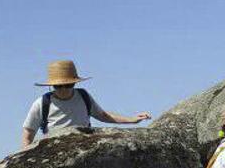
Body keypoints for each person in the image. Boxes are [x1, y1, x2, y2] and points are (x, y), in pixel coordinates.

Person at [20, 59, 150, 149]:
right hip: (54, 152)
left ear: (75, 83)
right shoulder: (42, 103)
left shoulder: (83, 96)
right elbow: (27, 136)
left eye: (68, 85)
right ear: (52, 86)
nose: (64, 89)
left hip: (83, 151)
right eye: (59, 86)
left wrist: (132, 120)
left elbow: (103, 115)